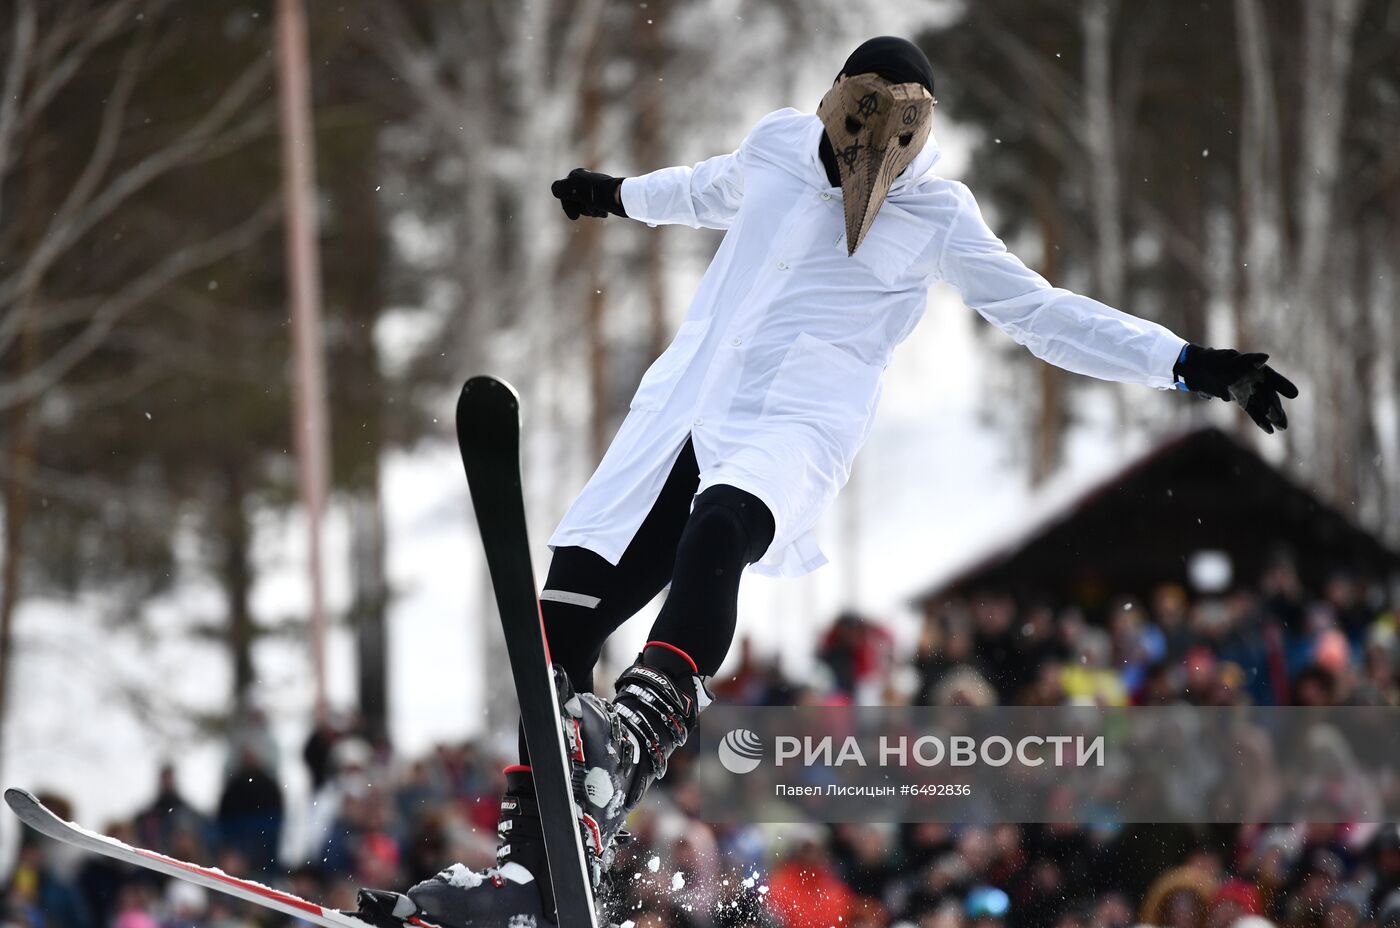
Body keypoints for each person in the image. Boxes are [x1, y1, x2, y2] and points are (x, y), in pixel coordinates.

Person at [359, 35, 1298, 928]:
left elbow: (1043, 314)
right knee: (557, 628)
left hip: (792, 430)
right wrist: (617, 195)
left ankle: (640, 728)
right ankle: (539, 865)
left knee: (717, 530)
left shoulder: (940, 214)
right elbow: (704, 190)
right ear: (827, 112)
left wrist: (1187, 362)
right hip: (685, 414)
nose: (860, 175)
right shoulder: (776, 145)